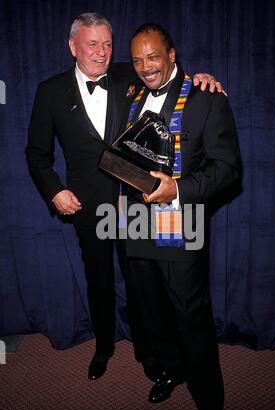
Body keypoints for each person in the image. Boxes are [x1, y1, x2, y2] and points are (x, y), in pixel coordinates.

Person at [25, 12, 225, 383]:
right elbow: (37, 155)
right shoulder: (50, 91)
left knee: (143, 284)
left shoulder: (127, 74)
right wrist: (55, 191)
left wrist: (202, 78)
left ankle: (151, 355)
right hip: (90, 206)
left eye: (107, 44)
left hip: (136, 203)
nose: (102, 52)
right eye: (92, 44)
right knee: (99, 279)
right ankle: (104, 347)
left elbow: (164, 70)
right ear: (73, 47)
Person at [122, 24, 241, 410]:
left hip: (180, 221)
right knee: (151, 310)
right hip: (133, 220)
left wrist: (179, 188)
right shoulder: (131, 91)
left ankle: (210, 404)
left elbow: (228, 169)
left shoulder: (206, 98)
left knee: (191, 317)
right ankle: (170, 369)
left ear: (172, 54)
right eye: (136, 60)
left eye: (153, 57)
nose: (145, 67)